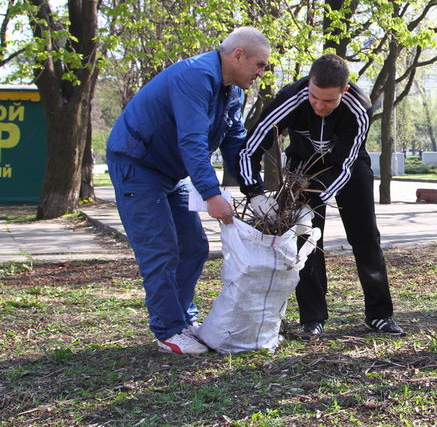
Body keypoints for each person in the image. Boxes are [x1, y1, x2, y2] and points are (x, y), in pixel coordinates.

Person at [106, 27, 270, 355]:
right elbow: (192, 141)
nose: (261, 74)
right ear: (238, 55)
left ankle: (182, 319)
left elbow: (236, 144)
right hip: (137, 164)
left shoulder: (233, 92)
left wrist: (256, 194)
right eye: (260, 65)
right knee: (162, 248)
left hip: (169, 172)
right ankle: (168, 330)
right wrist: (211, 194)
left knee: (194, 245)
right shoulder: (195, 78)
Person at [237, 53, 404, 339]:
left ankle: (379, 314)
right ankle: (312, 318)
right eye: (314, 97)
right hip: (301, 168)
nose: (319, 106)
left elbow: (345, 165)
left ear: (345, 91)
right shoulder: (291, 98)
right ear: (308, 85)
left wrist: (318, 198)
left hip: (348, 168)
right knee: (305, 241)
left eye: (328, 101)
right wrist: (253, 193)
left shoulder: (359, 107)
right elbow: (250, 148)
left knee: (366, 237)